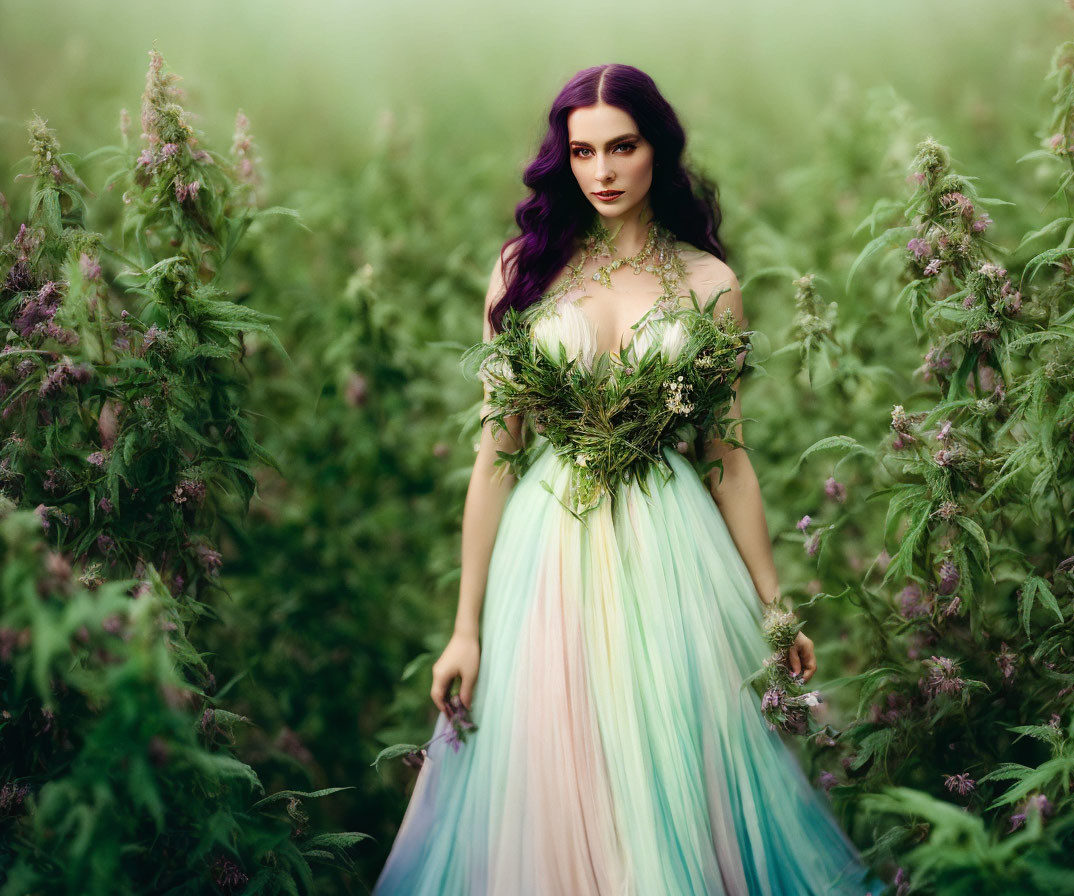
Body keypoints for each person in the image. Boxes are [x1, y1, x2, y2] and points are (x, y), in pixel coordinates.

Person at [373, 63, 886, 895]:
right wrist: (464, 628)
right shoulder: (524, 272)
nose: (602, 172)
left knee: (671, 768)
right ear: (563, 160)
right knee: (555, 767)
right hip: (550, 555)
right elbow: (495, 458)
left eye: (622, 147)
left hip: (671, 552)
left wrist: (771, 601)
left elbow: (727, 457)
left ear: (659, 150)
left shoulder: (709, 284)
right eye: (582, 152)